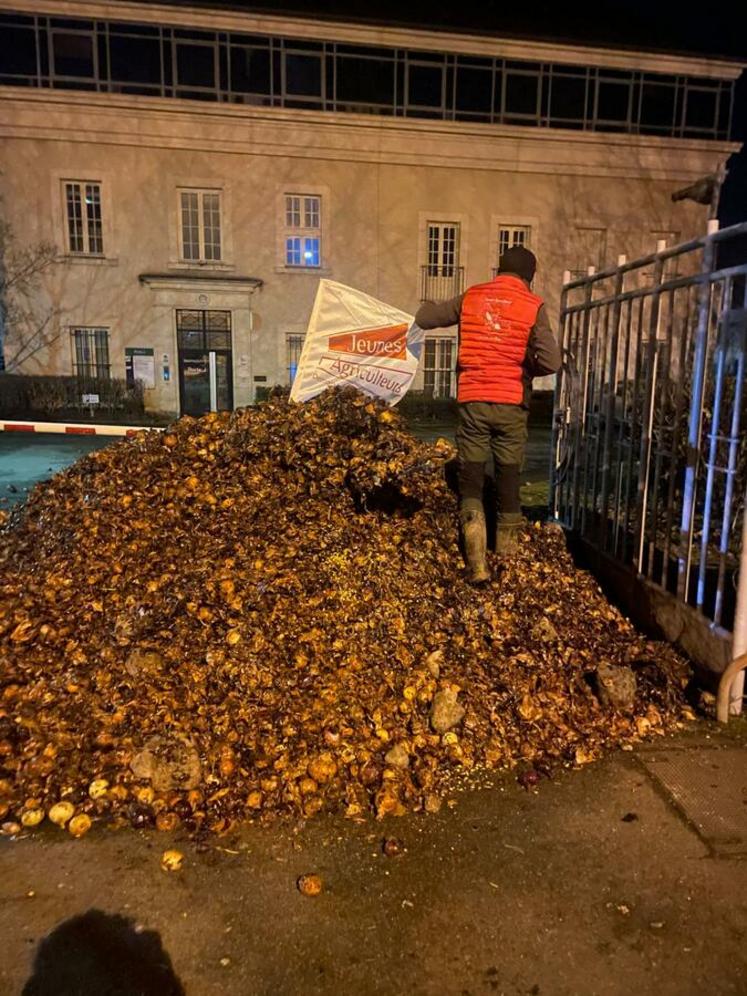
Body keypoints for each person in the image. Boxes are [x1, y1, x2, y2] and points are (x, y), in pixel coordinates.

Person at [415, 245, 561, 583]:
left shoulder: (473, 296)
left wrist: (426, 308)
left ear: (499, 270)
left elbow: (426, 319)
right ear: (530, 276)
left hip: (474, 401)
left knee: (472, 480)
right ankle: (508, 563)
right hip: (511, 403)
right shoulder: (532, 306)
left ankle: (477, 564)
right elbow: (552, 361)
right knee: (509, 478)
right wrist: (524, 367)